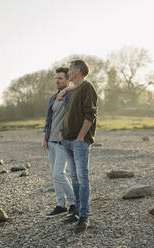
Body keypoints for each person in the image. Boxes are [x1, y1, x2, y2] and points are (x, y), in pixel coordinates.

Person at [60, 60, 98, 233]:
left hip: (79, 141)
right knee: (74, 178)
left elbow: (90, 114)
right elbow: (68, 114)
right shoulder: (74, 90)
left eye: (70, 69)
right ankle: (76, 212)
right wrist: (62, 133)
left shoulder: (87, 88)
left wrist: (81, 137)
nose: (68, 71)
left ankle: (84, 216)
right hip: (67, 140)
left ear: (78, 70)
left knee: (82, 179)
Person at [42, 67, 76, 218]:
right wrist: (45, 137)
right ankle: (60, 205)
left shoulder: (71, 95)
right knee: (54, 175)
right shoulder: (53, 98)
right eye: (56, 78)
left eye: (60, 78)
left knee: (58, 174)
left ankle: (74, 202)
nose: (57, 80)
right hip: (51, 141)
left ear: (68, 80)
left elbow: (78, 86)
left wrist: (66, 90)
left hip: (63, 141)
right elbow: (48, 120)